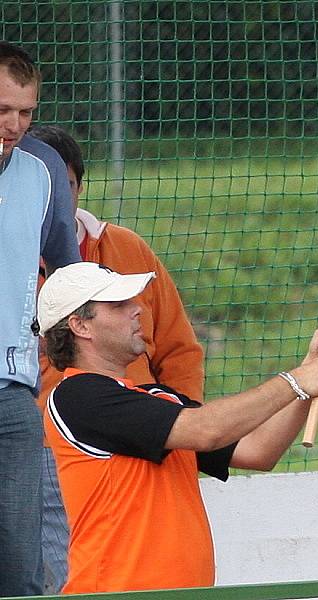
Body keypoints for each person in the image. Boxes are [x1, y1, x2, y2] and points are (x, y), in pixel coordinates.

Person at [37, 261, 318, 593]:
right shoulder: (78, 396)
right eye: (119, 305)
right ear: (80, 326)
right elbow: (206, 430)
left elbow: (259, 450)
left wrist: (307, 378)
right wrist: (295, 381)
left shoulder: (156, 399)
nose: (138, 310)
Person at [27, 124, 206, 594]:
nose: (53, 199)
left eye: (62, 185)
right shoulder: (12, 249)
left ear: (79, 186)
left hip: (145, 425)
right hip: (44, 439)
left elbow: (178, 348)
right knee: (59, 567)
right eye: (39, 186)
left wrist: (177, 418)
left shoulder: (126, 248)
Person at [0, 41, 80, 597]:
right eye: (2, 110)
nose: (15, 124)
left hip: (12, 388)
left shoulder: (44, 168)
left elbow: (67, 274)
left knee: (21, 560)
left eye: (26, 112)